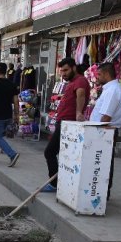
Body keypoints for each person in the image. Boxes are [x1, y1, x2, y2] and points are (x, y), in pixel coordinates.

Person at [41, 58, 90, 192]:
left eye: (66, 70)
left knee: (49, 152)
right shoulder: (73, 82)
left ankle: (54, 183)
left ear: (74, 68)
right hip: (63, 122)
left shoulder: (80, 80)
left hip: (68, 123)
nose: (63, 74)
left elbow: (81, 94)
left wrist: (79, 113)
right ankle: (61, 183)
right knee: (62, 154)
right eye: (61, 71)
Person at [91, 62, 121, 200]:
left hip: (104, 131)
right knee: (102, 162)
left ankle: (102, 194)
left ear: (106, 74)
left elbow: (106, 116)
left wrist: (95, 134)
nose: (97, 77)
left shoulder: (113, 90)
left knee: (103, 163)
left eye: (99, 74)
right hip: (102, 130)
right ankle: (100, 193)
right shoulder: (111, 89)